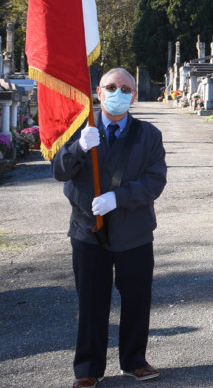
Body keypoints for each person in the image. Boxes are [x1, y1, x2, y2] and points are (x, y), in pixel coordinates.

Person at [52, 68, 167, 387]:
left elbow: (155, 181)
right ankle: (88, 368)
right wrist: (77, 148)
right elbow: (59, 172)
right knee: (91, 300)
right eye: (111, 87)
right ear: (98, 93)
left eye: (125, 88)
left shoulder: (148, 135)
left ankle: (134, 360)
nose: (118, 92)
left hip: (134, 231)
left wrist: (119, 197)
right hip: (88, 230)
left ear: (133, 96)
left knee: (136, 298)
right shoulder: (80, 129)